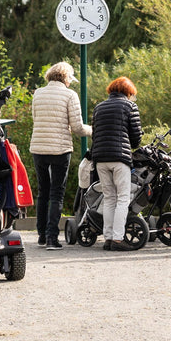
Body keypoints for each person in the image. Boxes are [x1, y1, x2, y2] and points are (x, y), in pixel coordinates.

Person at [29, 61, 92, 251]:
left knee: (43, 192)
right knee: (56, 193)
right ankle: (52, 238)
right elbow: (78, 128)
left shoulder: (38, 93)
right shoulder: (69, 95)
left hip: (38, 148)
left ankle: (41, 236)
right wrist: (93, 130)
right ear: (65, 78)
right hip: (60, 149)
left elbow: (35, 119)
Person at [89, 76, 142, 251]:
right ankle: (118, 239)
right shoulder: (129, 106)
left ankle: (108, 238)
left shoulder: (99, 107)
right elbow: (136, 137)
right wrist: (131, 145)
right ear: (128, 92)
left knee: (109, 197)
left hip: (100, 158)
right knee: (123, 198)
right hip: (120, 158)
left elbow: (95, 134)